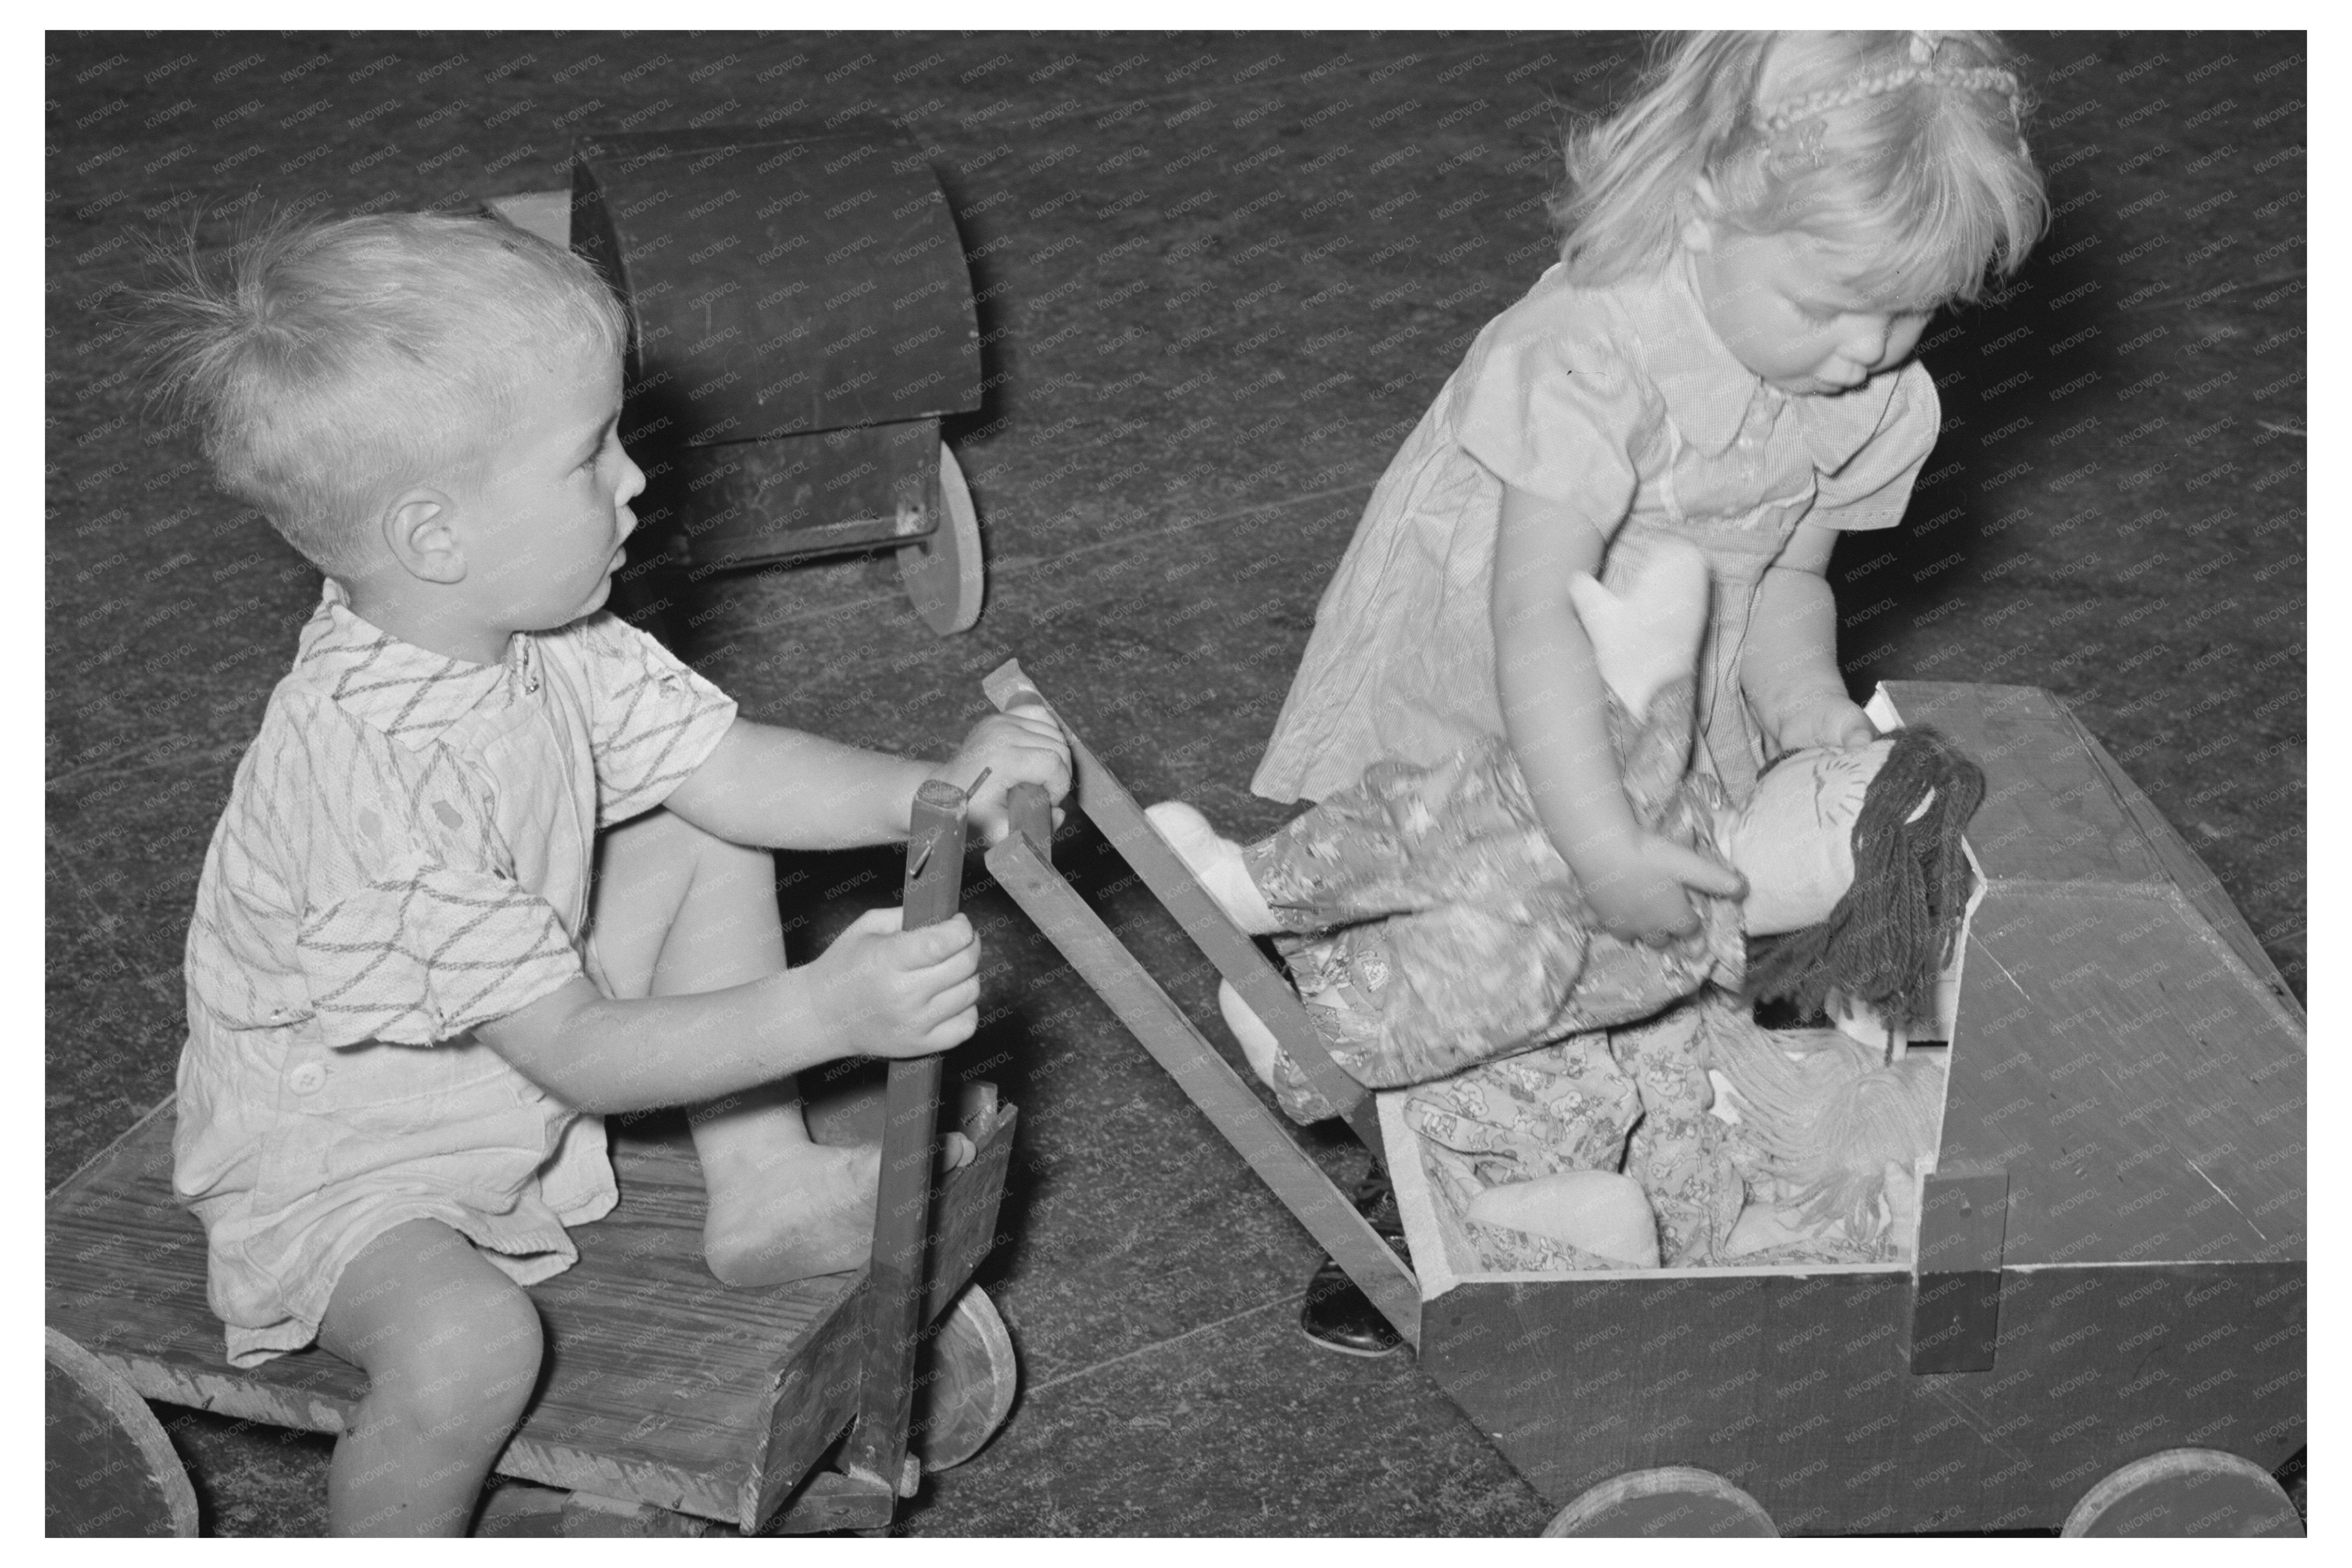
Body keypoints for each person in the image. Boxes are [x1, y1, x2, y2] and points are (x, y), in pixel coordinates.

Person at [140, 212, 1069, 1535]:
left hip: (499, 1031)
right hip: (351, 1152)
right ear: (435, 536)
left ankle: (761, 1187)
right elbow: (576, 1053)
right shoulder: (379, 785)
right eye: (590, 457)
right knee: (471, 1350)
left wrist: (936, 793)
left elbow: (726, 767)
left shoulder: (541, 635)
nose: (638, 480)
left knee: (698, 827)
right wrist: (824, 1011)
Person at [1244, 27, 2040, 1352]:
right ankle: (1430, 1205)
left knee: (1658, 951)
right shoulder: (1592, 351)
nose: (1871, 347)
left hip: (1679, 671)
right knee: (1498, 925)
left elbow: (1788, 584)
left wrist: (1810, 721)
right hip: (1513, 673)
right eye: (1833, 305)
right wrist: (1595, 832)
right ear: (1715, 196)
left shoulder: (1869, 396)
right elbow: (1533, 616)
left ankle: (1638, 1150)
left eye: (1914, 312)